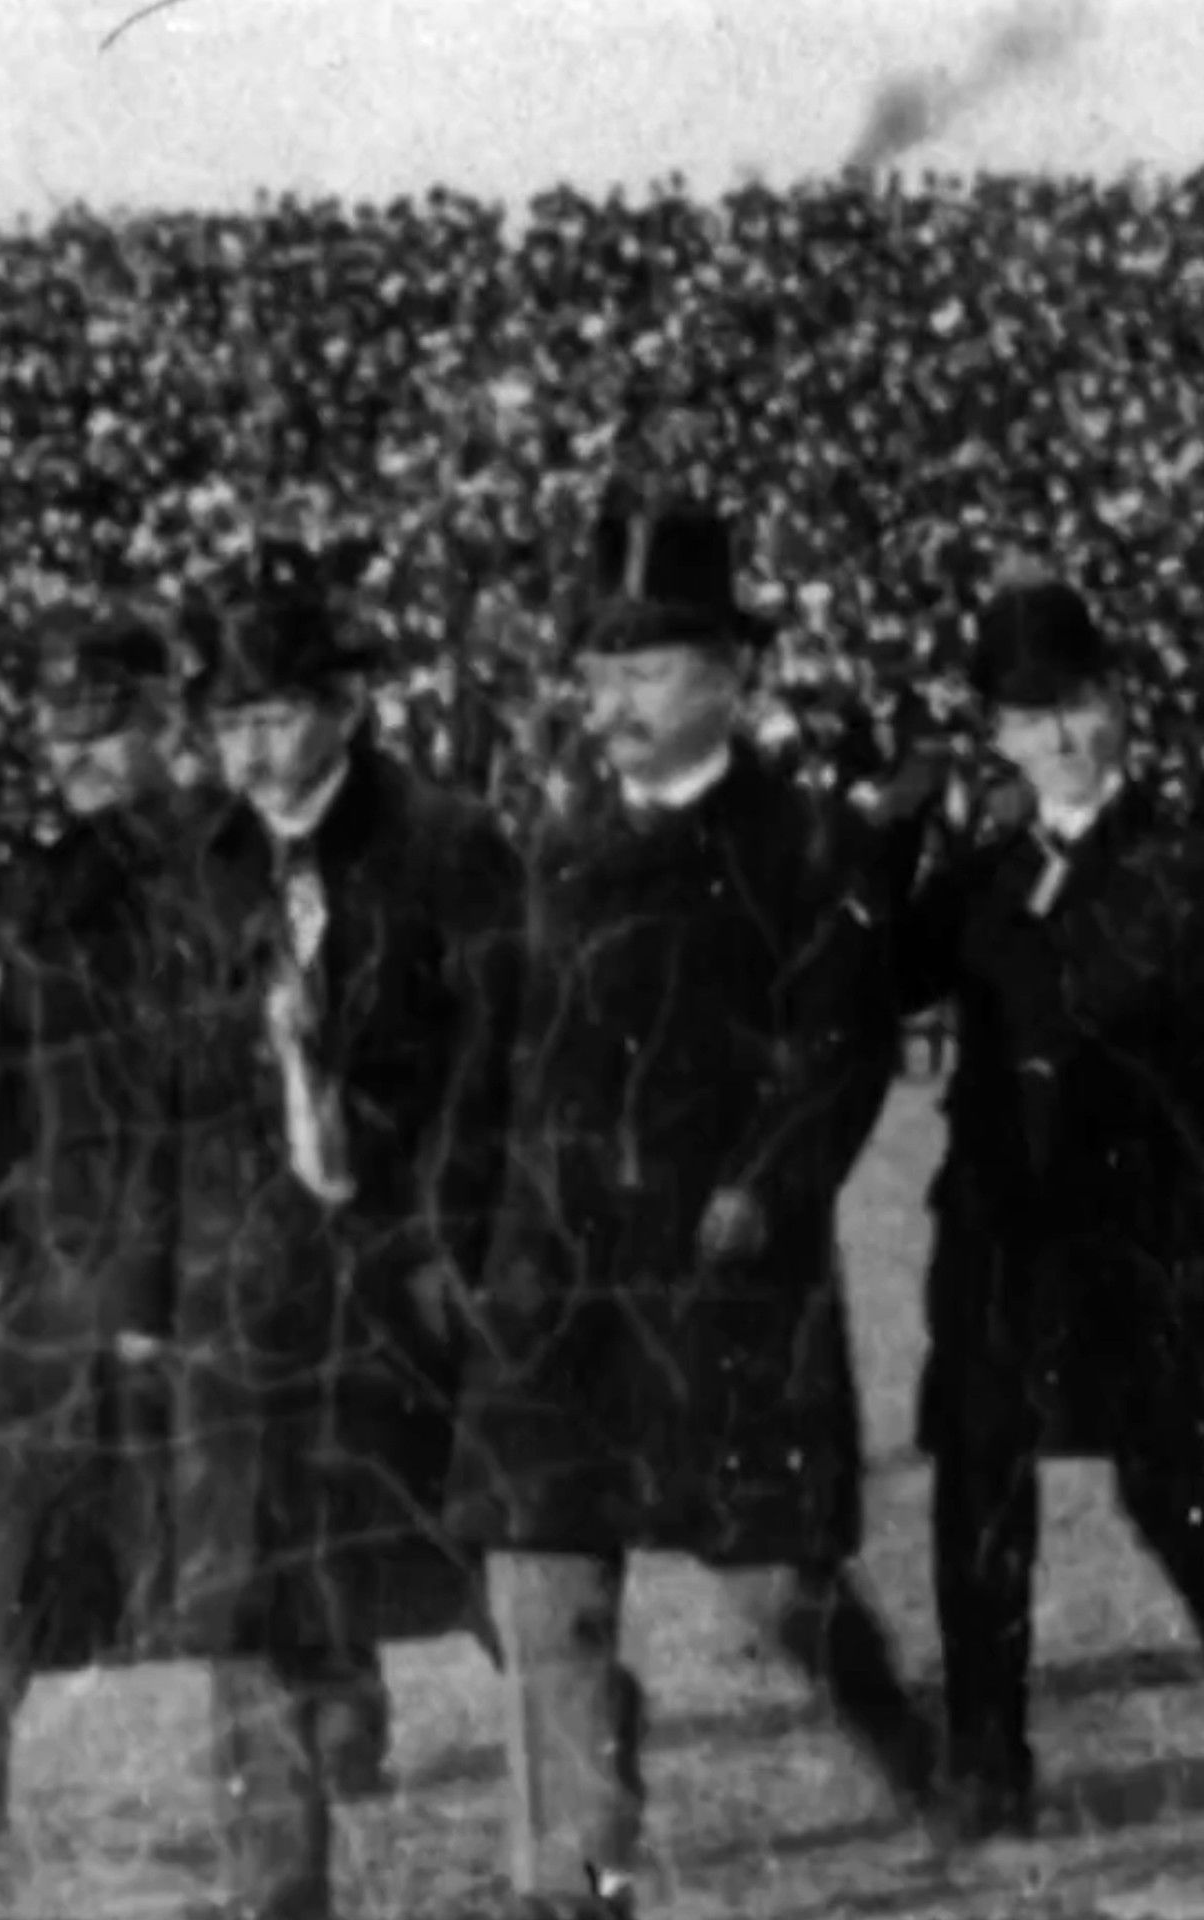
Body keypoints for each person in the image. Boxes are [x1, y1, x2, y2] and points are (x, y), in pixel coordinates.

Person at [443, 491, 943, 1920]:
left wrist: (763, 1191)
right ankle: (575, 1876)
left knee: (782, 1589)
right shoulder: (552, 846)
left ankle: (906, 1740)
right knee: (547, 1587)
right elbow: (501, 1055)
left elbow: (836, 1054)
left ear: (734, 676)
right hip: (557, 1285)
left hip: (724, 1278)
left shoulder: (809, 846)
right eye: (597, 675)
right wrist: (466, 1224)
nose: (614, 702)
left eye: (649, 671)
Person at [175, 546, 523, 1920]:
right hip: (256, 1281)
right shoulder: (201, 864)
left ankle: (594, 1841)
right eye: (232, 723)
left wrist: (455, 1243)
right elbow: (180, 1079)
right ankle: (277, 1884)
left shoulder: (448, 843)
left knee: (507, 1571)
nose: (252, 749)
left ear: (345, 708)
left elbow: (500, 1064)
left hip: (416, 1268)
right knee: (253, 1573)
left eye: (276, 716)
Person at [902, 577, 1204, 1843]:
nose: (1065, 736)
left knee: (1175, 1484)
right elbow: (859, 983)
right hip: (1000, 1239)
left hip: (1152, 1241)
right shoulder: (975, 881)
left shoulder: (1181, 862)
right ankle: (985, 1754)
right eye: (1033, 716)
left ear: (1121, 706)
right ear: (999, 735)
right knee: (979, 1489)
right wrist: (885, 833)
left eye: (1079, 705)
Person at [0, 598, 191, 1835]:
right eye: (59, 726)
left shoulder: (216, 862)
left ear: (162, 723)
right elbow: (16, 1078)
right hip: (57, 1247)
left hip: (199, 1231)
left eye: (106, 724)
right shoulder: (45, 878)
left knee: (263, 1493)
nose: (77, 750)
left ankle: (350, 1716)